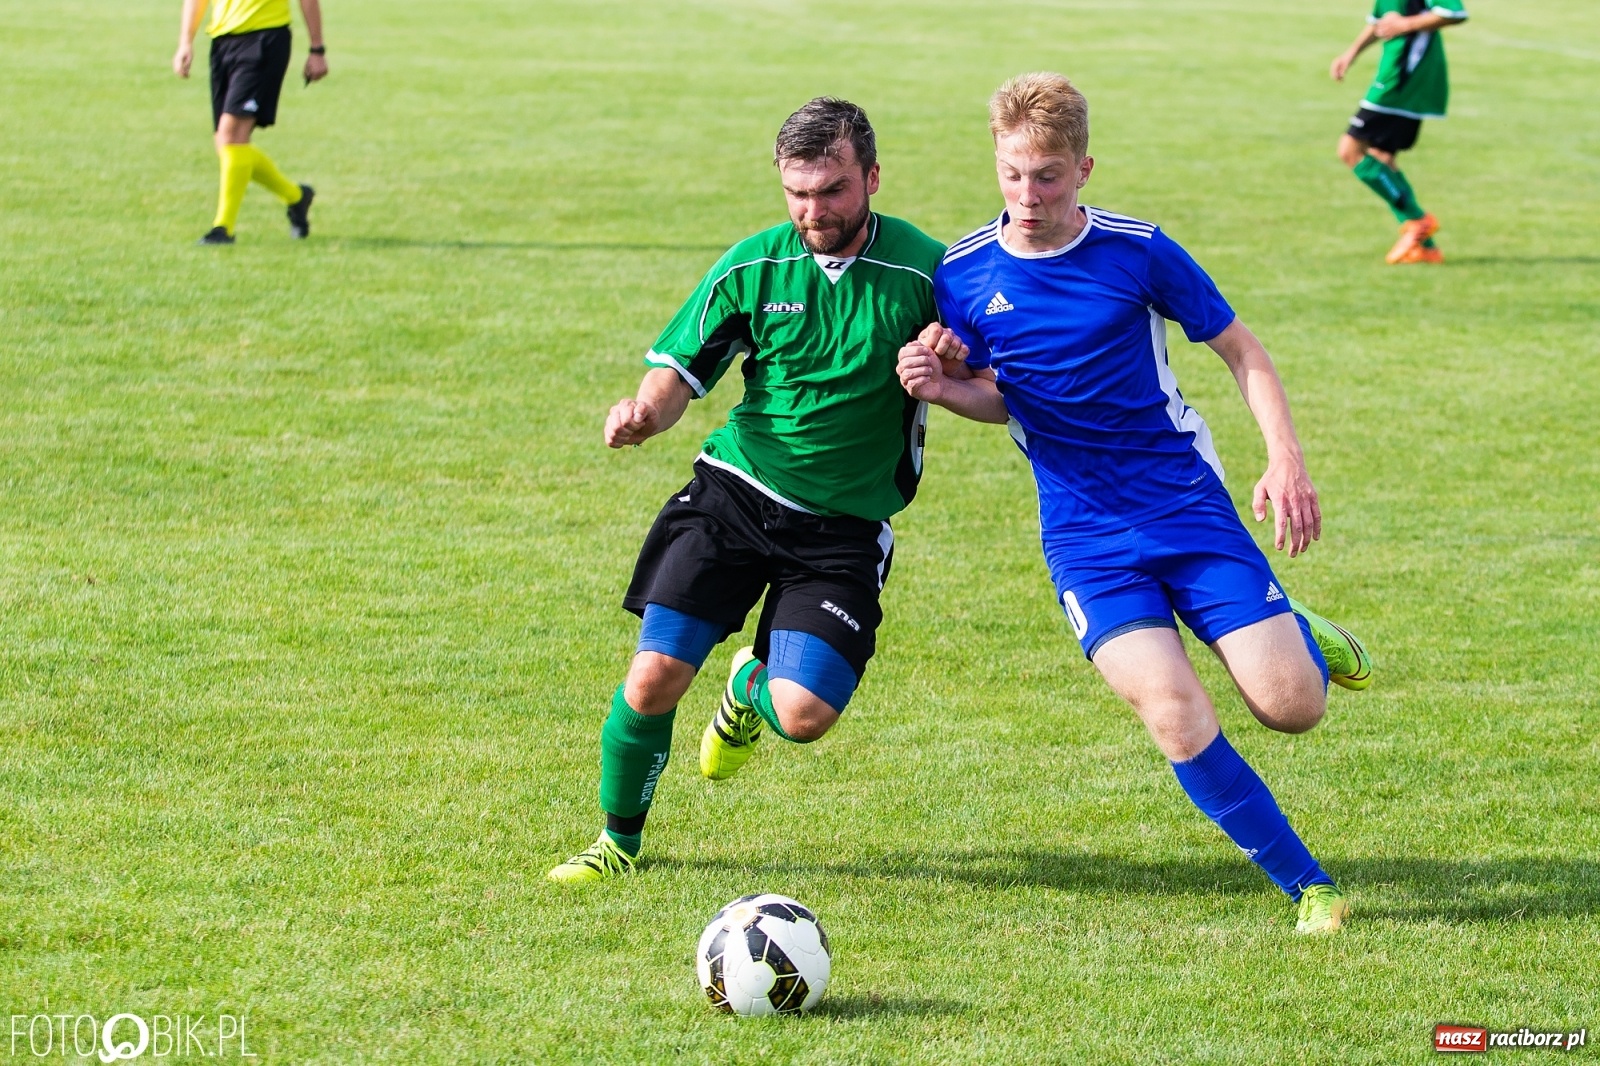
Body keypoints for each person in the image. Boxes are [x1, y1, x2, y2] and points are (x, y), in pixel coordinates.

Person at [897, 73, 1373, 934]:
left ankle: (1296, 627)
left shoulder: (1138, 250)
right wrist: (939, 383)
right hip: (1084, 538)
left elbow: (1242, 348)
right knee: (1173, 710)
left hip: (1187, 510)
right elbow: (1006, 394)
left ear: (1084, 168)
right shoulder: (962, 275)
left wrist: (1285, 459)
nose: (1027, 196)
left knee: (1293, 707)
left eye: (1046, 176)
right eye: (1011, 174)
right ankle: (1310, 887)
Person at [548, 98, 950, 883]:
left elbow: (983, 364)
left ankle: (747, 686)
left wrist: (949, 356)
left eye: (832, 190)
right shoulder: (753, 266)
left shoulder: (927, 272)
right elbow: (679, 373)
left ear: (871, 177)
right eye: (797, 193)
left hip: (843, 526)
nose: (813, 211)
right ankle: (617, 845)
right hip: (735, 493)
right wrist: (643, 413)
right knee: (654, 675)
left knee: (801, 716)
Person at [173, 0, 327, 244]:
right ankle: (296, 196)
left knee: (231, 136)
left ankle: (223, 229)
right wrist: (185, 42)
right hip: (223, 42)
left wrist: (317, 49)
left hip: (265, 39)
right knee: (227, 145)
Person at [1330, 0, 1469, 264]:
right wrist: (1350, 54)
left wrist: (1407, 24)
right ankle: (1425, 248)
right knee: (1381, 157)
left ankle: (1418, 221)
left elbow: (1455, 11)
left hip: (1404, 80)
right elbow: (1378, 22)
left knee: (1350, 150)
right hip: (1396, 74)